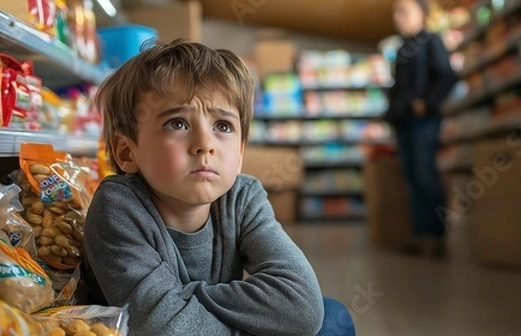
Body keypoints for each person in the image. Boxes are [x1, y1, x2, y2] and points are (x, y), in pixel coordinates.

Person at [79, 39, 355, 336]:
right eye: (177, 124)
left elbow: (301, 306)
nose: (204, 145)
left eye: (222, 126)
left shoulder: (243, 196)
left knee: (333, 318)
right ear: (126, 152)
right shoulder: (118, 206)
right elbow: (161, 327)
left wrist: (177, 299)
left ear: (240, 155)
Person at [385, 0, 457, 256]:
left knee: (425, 175)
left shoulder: (430, 41)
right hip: (403, 121)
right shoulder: (402, 47)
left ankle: (437, 237)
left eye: (404, 11)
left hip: (423, 121)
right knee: (412, 177)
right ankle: (419, 234)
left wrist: (426, 103)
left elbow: (447, 76)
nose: (398, 17)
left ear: (422, 15)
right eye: (395, 12)